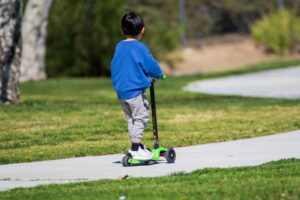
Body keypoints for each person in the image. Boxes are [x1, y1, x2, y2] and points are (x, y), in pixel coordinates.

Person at [111, 11, 164, 160]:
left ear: (122, 30)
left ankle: (138, 145)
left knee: (131, 119)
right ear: (142, 30)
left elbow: (122, 66)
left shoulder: (119, 46)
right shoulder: (140, 47)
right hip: (135, 92)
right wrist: (160, 74)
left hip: (122, 91)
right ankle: (135, 148)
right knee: (141, 118)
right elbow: (150, 65)